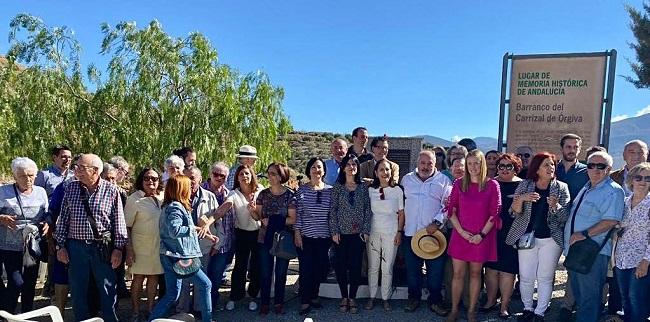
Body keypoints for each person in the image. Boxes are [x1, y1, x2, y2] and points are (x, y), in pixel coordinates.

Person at [54, 154, 128, 322]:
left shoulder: (111, 190)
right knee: (78, 290)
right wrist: (61, 246)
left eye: (81, 167)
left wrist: (118, 249)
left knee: (108, 289)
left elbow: (119, 222)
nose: (76, 170)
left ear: (95, 171)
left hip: (102, 248)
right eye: (76, 167)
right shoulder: (70, 189)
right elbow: (63, 219)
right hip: (76, 248)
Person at [505, 152, 570, 322]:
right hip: (527, 237)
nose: (551, 168)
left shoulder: (561, 187)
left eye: (552, 165)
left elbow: (565, 217)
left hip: (551, 239)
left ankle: (540, 312)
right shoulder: (526, 185)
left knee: (545, 277)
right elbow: (513, 212)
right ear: (537, 169)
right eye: (546, 165)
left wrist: (555, 206)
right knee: (526, 276)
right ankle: (527, 308)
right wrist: (522, 199)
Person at [563, 151, 625, 322]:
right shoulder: (588, 186)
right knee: (581, 295)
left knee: (589, 298)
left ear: (609, 169)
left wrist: (583, 234)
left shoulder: (613, 191)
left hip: (593, 252)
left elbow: (611, 220)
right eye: (591, 165)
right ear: (587, 168)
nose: (596, 169)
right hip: (577, 250)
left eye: (601, 166)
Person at [148, 175, 214, 322]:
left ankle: (152, 319)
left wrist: (199, 232)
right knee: (205, 285)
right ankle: (207, 320)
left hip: (169, 254)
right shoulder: (176, 207)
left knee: (172, 293)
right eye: (188, 186)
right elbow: (175, 230)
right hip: (181, 257)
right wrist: (194, 228)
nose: (191, 189)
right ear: (181, 189)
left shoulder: (168, 206)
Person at [446, 150, 502, 322]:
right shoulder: (458, 184)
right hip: (460, 236)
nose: (473, 167)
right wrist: (462, 232)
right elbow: (451, 210)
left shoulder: (492, 185)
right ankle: (454, 309)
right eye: (469, 163)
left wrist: (481, 235)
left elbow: (495, 212)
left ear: (482, 164)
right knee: (457, 274)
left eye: (476, 163)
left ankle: (472, 310)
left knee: (476, 274)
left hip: (481, 237)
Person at [401, 150, 451, 316]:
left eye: (429, 163)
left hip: (434, 234)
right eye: (422, 163)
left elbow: (448, 205)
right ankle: (413, 298)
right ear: (417, 163)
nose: (426, 166)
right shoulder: (406, 180)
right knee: (412, 270)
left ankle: (435, 301)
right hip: (410, 233)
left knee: (435, 272)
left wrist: (437, 222)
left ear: (435, 163)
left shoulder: (443, 181)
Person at [0, 157, 49, 313]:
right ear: (15, 176)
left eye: (31, 175)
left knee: (30, 282)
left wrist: (47, 222)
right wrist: (1, 218)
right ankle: (8, 313)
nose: (28, 179)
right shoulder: (3, 192)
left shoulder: (41, 192)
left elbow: (46, 213)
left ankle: (28, 313)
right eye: (23, 176)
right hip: (9, 244)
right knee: (16, 281)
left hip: (32, 244)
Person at [251, 162, 296, 315]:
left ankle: (279, 302)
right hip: (265, 238)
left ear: (281, 176)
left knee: (281, 272)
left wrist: (274, 221)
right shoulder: (263, 194)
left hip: (283, 239)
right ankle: (264, 302)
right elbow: (258, 215)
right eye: (268, 173)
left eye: (273, 173)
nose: (269, 176)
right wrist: (253, 213)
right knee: (265, 272)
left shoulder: (290, 195)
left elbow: (293, 219)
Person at [329, 154, 372, 314]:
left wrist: (366, 230)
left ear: (357, 168)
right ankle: (344, 297)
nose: (351, 167)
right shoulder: (337, 187)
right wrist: (334, 231)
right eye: (348, 164)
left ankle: (352, 297)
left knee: (355, 267)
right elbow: (332, 210)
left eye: (354, 164)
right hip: (340, 234)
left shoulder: (362, 188)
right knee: (340, 267)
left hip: (358, 235)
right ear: (343, 167)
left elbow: (368, 210)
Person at [482, 153, 523, 319]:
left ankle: (504, 306)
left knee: (508, 271)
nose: (505, 169)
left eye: (509, 166)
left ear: (515, 168)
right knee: (491, 269)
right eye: (502, 166)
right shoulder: (490, 184)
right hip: (491, 231)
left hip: (513, 232)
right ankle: (490, 301)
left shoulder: (523, 186)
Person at [217, 165, 262, 312]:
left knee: (255, 267)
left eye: (247, 173)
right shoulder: (233, 194)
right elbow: (226, 206)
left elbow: (262, 215)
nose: (244, 176)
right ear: (237, 177)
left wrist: (254, 210)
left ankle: (253, 296)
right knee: (240, 267)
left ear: (252, 175)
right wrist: (212, 218)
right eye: (241, 174)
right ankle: (235, 296)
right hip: (241, 233)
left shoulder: (260, 191)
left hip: (258, 233)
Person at [176, 166, 220, 315]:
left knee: (201, 281)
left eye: (193, 178)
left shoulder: (209, 197)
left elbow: (218, 222)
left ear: (200, 179)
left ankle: (200, 311)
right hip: (183, 247)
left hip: (204, 246)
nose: (190, 181)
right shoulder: (178, 197)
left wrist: (217, 244)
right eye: (187, 178)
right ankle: (182, 312)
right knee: (184, 281)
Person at [555, 133, 589, 320]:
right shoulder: (553, 169)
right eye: (568, 146)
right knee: (547, 265)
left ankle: (567, 304)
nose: (572, 150)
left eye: (575, 147)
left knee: (572, 266)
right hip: (553, 223)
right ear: (562, 148)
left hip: (576, 224)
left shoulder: (586, 171)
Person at [365, 159, 405, 311]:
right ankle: (372, 297)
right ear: (376, 173)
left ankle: (385, 298)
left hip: (391, 233)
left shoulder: (397, 190)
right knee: (373, 267)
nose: (384, 172)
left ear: (391, 171)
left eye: (387, 169)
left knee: (387, 268)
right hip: (373, 233)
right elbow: (366, 212)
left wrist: (399, 232)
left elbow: (401, 214)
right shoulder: (370, 191)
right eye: (381, 170)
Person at [124, 167, 164, 322]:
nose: (150, 181)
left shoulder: (162, 196)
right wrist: (129, 249)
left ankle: (150, 309)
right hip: (139, 246)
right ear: (141, 180)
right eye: (147, 178)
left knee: (154, 277)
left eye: (154, 178)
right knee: (139, 277)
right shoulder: (134, 199)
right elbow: (127, 226)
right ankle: (135, 311)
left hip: (157, 245)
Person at [294, 157, 332, 315]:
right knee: (306, 269)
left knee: (321, 268)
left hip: (325, 237)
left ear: (324, 171)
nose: (317, 170)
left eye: (320, 167)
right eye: (314, 167)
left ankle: (314, 295)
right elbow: (298, 214)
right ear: (309, 171)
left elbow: (333, 214)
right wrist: (297, 233)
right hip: (306, 237)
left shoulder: (331, 190)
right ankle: (305, 300)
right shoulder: (302, 190)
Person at [614, 162, 650, 322]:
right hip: (621, 258)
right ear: (631, 180)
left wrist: (646, 261)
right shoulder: (624, 202)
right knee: (625, 299)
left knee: (637, 300)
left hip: (641, 260)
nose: (643, 181)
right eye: (639, 177)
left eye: (648, 178)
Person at [35, 145, 73, 298]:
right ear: (54, 157)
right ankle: (50, 287)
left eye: (69, 157)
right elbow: (36, 197)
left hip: (69, 222)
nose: (67, 160)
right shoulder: (45, 175)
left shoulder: (73, 176)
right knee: (52, 254)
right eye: (63, 156)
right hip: (50, 221)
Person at [201, 162, 235, 309]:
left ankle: (211, 306)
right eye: (216, 174)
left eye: (223, 175)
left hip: (223, 245)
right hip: (203, 244)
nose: (219, 177)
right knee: (202, 278)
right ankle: (198, 306)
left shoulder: (229, 194)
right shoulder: (200, 191)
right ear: (210, 174)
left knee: (215, 277)